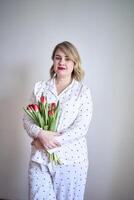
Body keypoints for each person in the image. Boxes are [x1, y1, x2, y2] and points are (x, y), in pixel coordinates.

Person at [23, 41, 93, 200]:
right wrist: (39, 134)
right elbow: (27, 118)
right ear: (53, 61)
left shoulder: (83, 92)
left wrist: (47, 141)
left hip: (71, 161)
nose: (62, 62)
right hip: (39, 159)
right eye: (58, 57)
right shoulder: (39, 88)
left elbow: (81, 128)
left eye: (67, 58)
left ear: (75, 63)